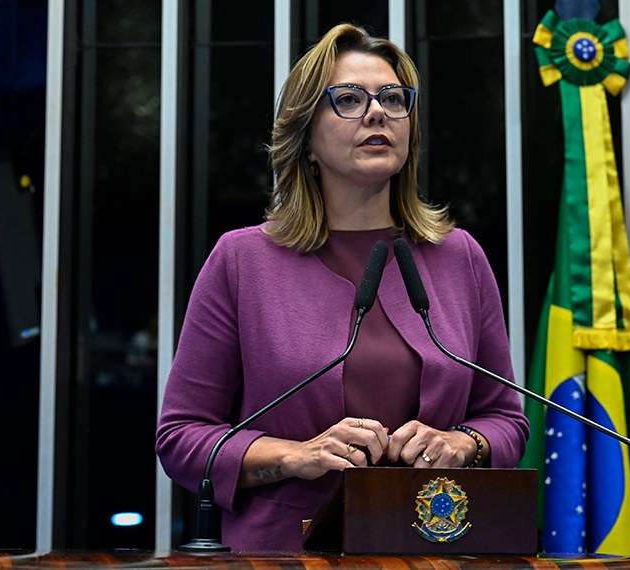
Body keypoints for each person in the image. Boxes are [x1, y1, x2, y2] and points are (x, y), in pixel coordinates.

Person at [155, 24, 529, 553]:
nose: (377, 113)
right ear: (306, 138)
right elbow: (182, 438)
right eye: (349, 99)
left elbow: (506, 420)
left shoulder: (458, 256)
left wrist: (460, 444)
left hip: (439, 553)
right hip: (284, 556)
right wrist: (292, 455)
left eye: (393, 99)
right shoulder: (243, 261)